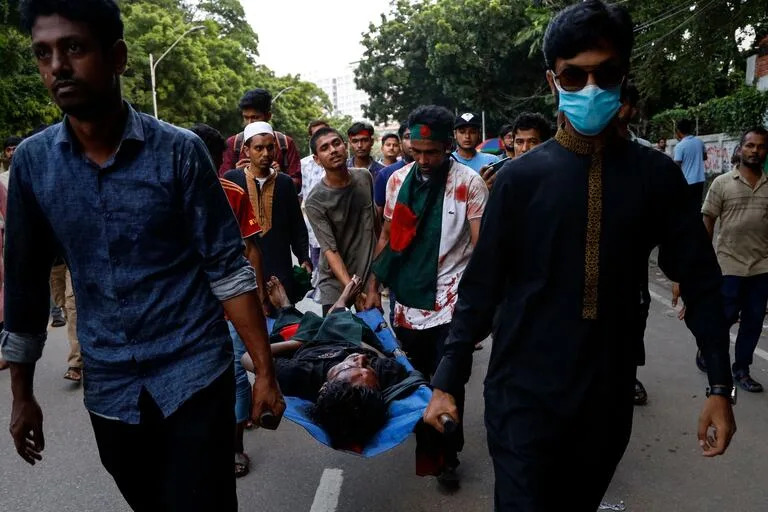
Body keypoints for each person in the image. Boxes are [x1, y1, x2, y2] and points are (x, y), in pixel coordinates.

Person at [422, 2, 736, 510]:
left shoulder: (655, 177)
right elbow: (480, 291)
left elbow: (699, 281)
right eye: (575, 75)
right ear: (554, 81)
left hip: (606, 395)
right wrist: (446, 383)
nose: (590, 88)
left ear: (623, 76)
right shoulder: (519, 181)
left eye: (605, 73)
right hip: (521, 391)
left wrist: (720, 385)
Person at [2, 2, 284, 511]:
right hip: (109, 388)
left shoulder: (177, 152)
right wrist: (22, 395)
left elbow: (228, 269)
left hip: (195, 374)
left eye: (74, 48)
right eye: (43, 54)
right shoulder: (33, 165)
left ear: (118, 57)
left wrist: (264, 370)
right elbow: (23, 284)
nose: (58, 66)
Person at [367, 105, 489, 487]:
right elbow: (386, 235)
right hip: (405, 301)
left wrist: (485, 305)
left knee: (447, 380)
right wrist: (372, 285)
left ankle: (448, 455)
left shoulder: (469, 183)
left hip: (453, 302)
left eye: (431, 152)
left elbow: (480, 248)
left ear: (448, 145)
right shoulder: (395, 181)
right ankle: (432, 452)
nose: (422, 160)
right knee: (417, 383)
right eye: (415, 151)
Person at [243, 275, 408, 449]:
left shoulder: (301, 374)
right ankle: (341, 304)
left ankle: (287, 305)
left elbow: (246, 357)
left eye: (351, 367)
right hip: (352, 336)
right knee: (343, 322)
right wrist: (361, 346)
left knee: (291, 325)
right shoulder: (377, 373)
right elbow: (389, 361)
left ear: (325, 386)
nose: (362, 359)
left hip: (307, 341)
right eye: (367, 366)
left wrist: (299, 343)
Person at [190, 122, 268, 478]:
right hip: (187, 307)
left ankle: (235, 447)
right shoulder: (164, 192)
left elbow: (251, 248)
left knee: (237, 373)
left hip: (231, 302)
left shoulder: (232, 193)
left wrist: (257, 295)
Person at [698, 128, 768, 393]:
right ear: (740, 149)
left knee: (752, 321)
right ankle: (708, 350)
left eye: (761, 147)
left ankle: (741, 369)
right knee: (723, 317)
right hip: (728, 265)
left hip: (761, 267)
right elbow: (708, 222)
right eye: (750, 145)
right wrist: (703, 263)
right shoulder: (722, 183)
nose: (755, 151)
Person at [224, 122, 312, 305]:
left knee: (282, 322)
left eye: (270, 148)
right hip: (243, 267)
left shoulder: (285, 183)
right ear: (247, 151)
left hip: (279, 263)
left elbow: (296, 225)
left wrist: (304, 257)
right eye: (258, 148)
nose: (265, 153)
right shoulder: (232, 180)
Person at [305, 127, 378, 315]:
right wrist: (352, 289)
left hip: (367, 273)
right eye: (325, 148)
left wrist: (372, 285)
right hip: (334, 279)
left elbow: (376, 231)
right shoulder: (315, 200)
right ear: (316, 159)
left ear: (345, 147)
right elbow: (330, 250)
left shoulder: (364, 177)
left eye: (336, 143)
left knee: (378, 336)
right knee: (336, 337)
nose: (333, 150)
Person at [219, 88, 302, 191]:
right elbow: (222, 185)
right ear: (246, 150)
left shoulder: (285, 143)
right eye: (246, 118)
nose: (250, 123)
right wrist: (236, 174)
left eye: (255, 117)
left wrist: (280, 176)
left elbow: (297, 185)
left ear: (268, 116)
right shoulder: (233, 144)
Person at [300, 119, 330, 273]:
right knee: (319, 277)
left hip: (337, 230)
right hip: (313, 230)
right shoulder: (303, 165)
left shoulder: (340, 162)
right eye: (315, 135)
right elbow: (299, 197)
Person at [374, 123, 413, 221]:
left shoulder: (437, 170)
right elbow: (379, 213)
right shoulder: (385, 174)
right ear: (401, 142)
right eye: (408, 137)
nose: (412, 141)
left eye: (417, 136)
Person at [674, 118, 707, 210]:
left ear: (678, 131)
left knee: (686, 207)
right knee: (697, 206)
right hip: (700, 179)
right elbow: (705, 157)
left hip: (687, 181)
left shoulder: (680, 146)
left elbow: (677, 165)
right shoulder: (699, 142)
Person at [617, 83, 652, 148]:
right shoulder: (596, 148)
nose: (616, 107)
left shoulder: (645, 147)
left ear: (633, 111)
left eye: (622, 103)